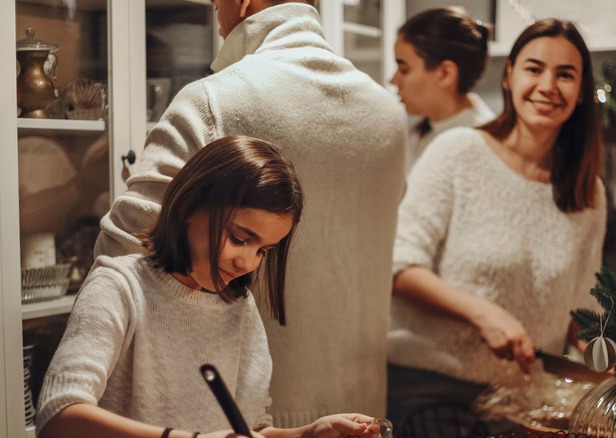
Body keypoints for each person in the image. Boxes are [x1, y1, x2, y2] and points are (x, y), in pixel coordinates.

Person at [94, 0, 407, 427]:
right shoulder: (389, 114)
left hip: (237, 418)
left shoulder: (213, 100)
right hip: (359, 413)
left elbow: (123, 248)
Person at [36, 136, 387, 438]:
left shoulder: (238, 307)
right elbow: (58, 417)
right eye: (239, 238)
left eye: (263, 250)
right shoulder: (120, 287)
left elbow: (251, 429)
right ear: (189, 205)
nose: (247, 263)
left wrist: (305, 434)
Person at [386, 18, 607, 432]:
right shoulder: (457, 152)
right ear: (509, 76)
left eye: (565, 75)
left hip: (523, 406)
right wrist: (483, 314)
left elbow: (585, 312)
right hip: (430, 392)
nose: (547, 86)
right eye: (534, 68)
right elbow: (398, 265)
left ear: (580, 92)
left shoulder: (587, 193)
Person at [390, 6, 495, 174]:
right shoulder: (424, 130)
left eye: (404, 70)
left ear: (445, 73)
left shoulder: (480, 146)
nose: (394, 81)